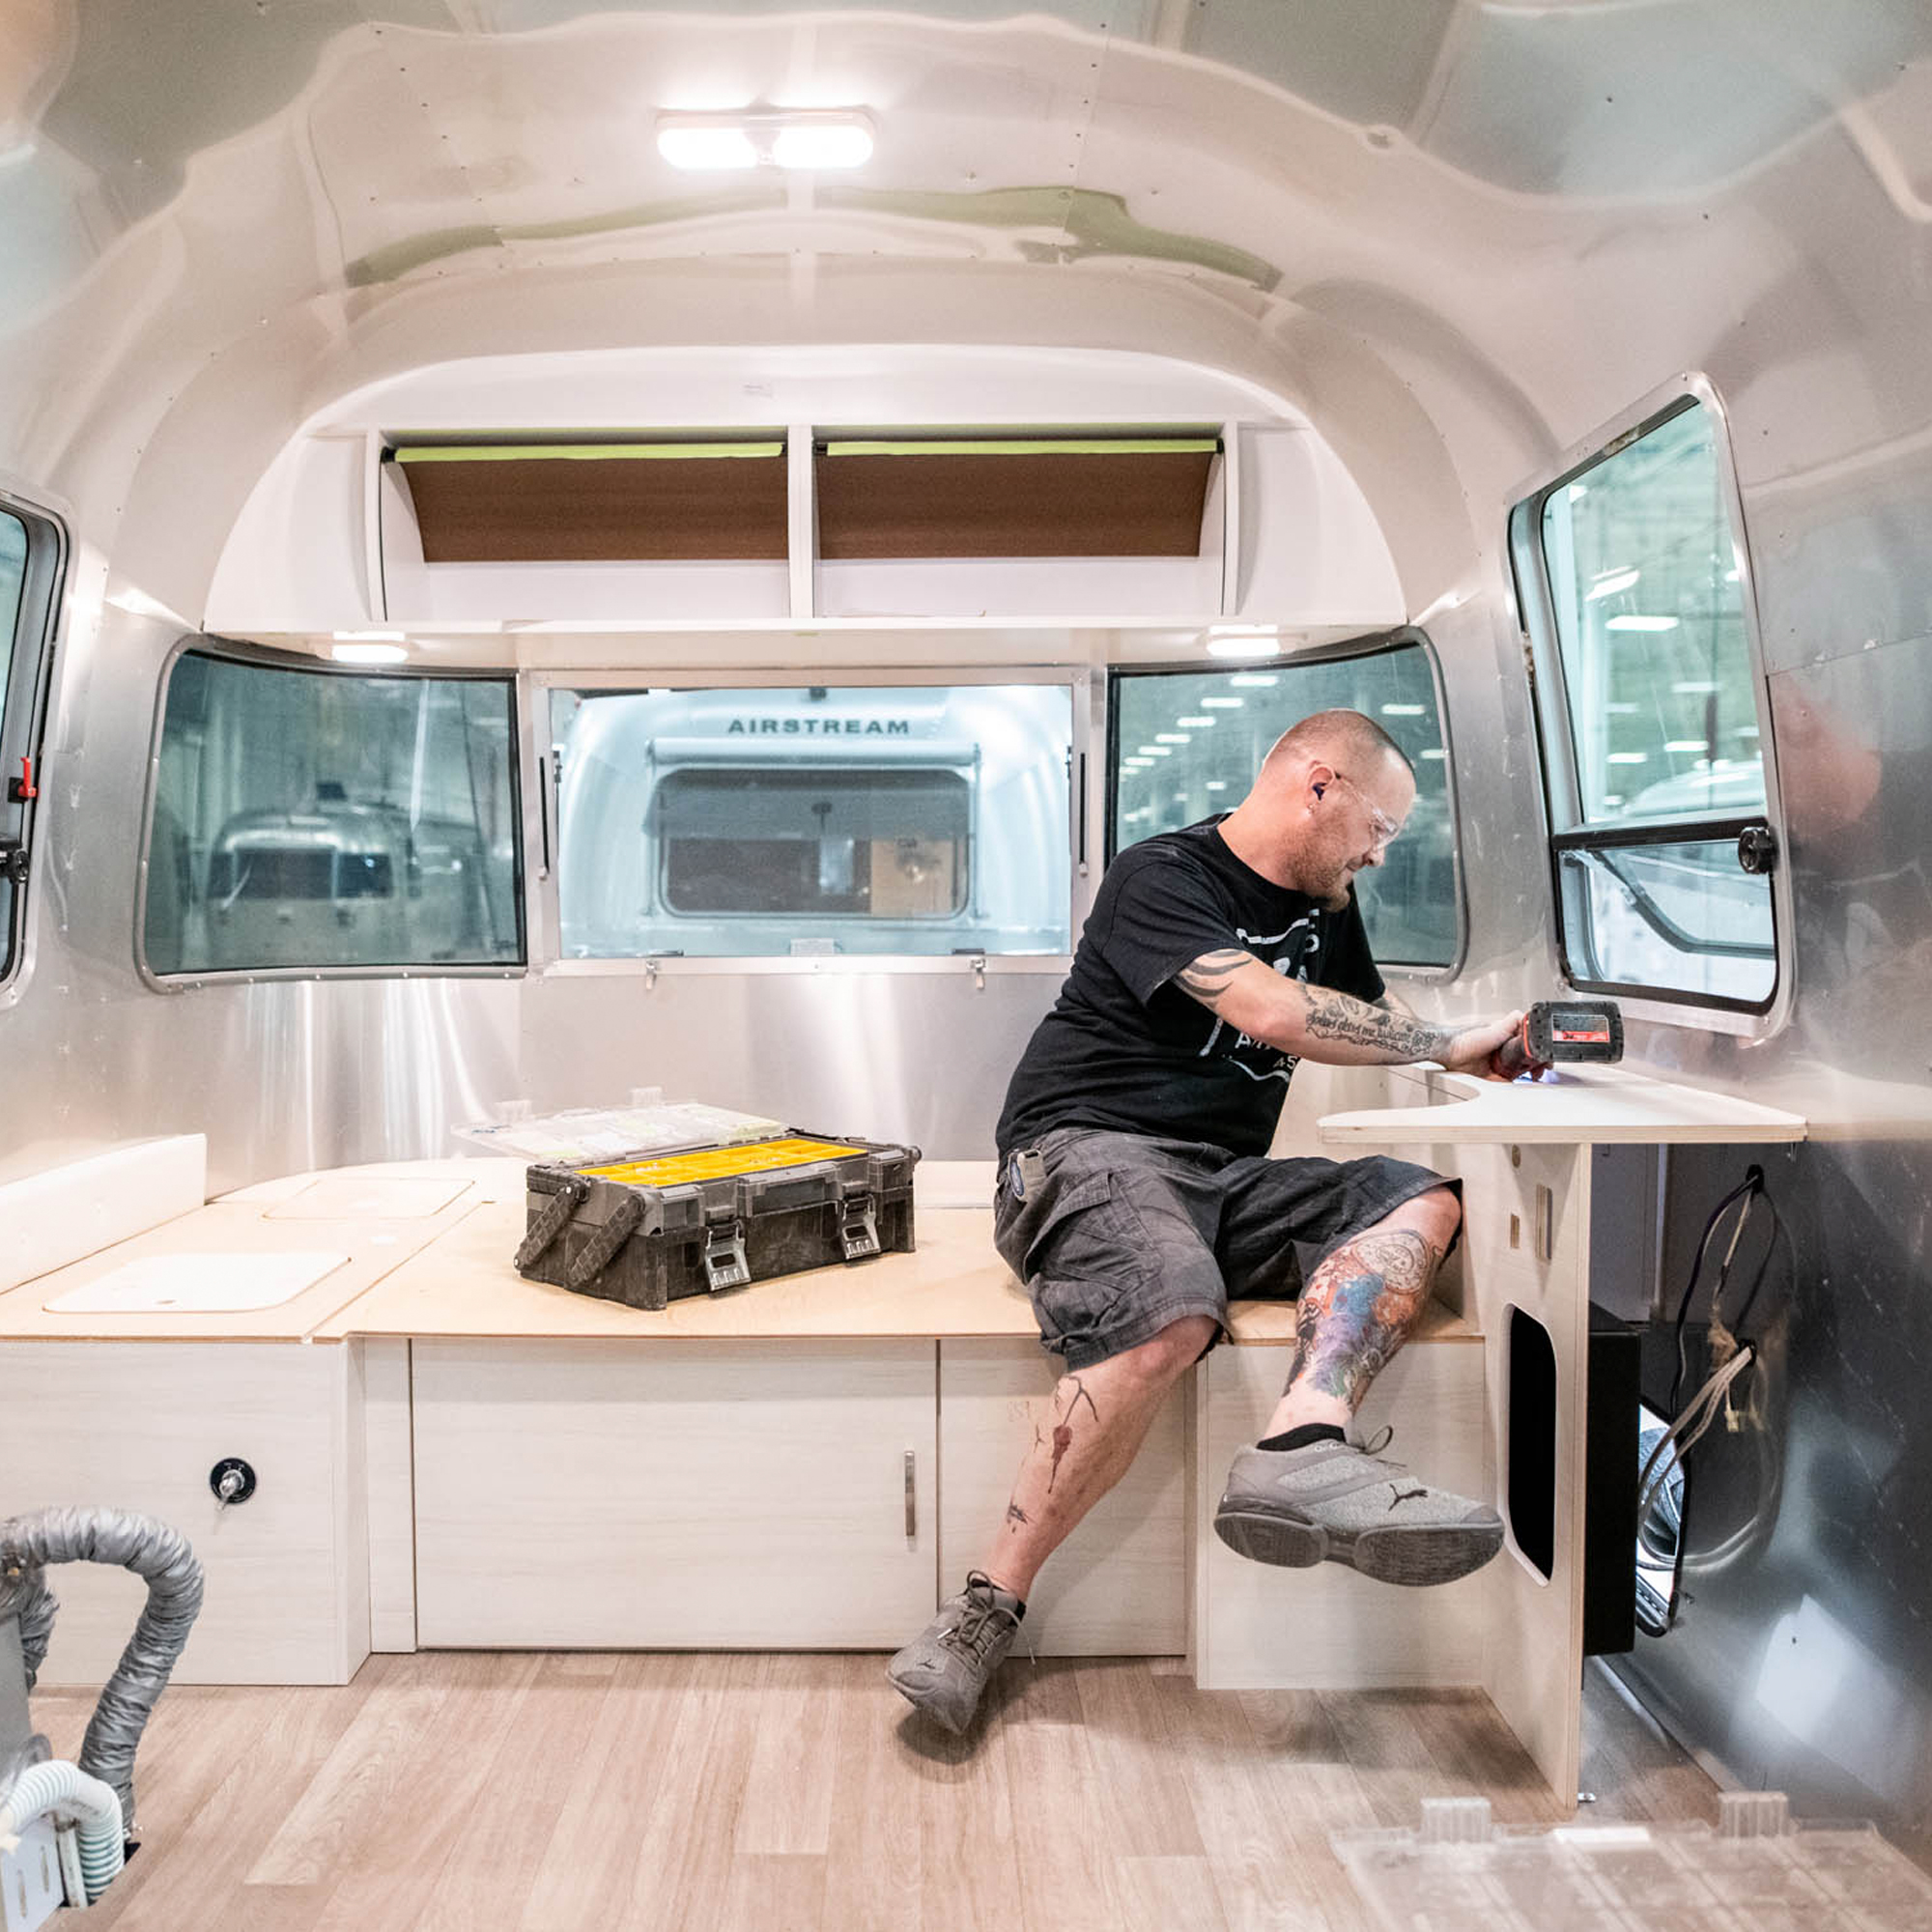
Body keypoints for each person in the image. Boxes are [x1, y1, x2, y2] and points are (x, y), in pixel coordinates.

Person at [888, 708, 1523, 1734]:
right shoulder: (1162, 873)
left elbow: (1364, 1026)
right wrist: (1450, 1042)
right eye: (1379, 825)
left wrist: (1482, 1064)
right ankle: (984, 1605)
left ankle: (1301, 1439)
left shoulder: (1332, 906)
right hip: (1082, 1148)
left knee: (1420, 1193)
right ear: (1318, 784)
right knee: (1174, 1313)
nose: (1376, 850)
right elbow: (1275, 1013)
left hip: (1221, 1176)